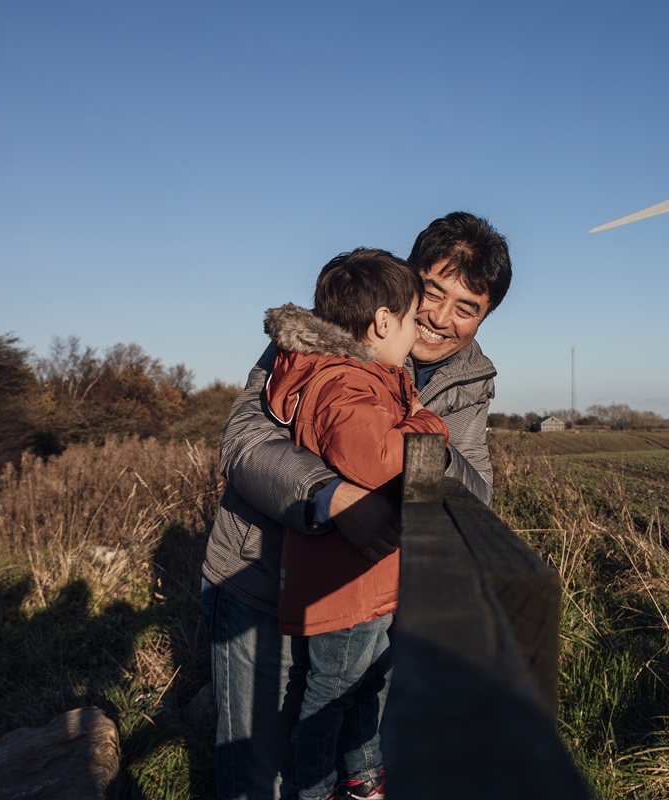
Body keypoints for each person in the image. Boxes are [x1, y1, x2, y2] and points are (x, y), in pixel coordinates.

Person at [201, 211, 512, 800]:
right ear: (408, 278)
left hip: (370, 598)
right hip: (259, 585)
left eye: (467, 307)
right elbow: (243, 445)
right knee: (258, 774)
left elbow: (473, 495)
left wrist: (425, 454)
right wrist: (335, 499)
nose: (441, 318)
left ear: (485, 315)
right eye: (433, 291)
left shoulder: (471, 380)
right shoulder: (322, 331)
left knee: (348, 736)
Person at [263, 248, 447, 800]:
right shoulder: (347, 383)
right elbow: (390, 461)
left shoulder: (354, 378)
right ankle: (319, 789)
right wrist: (427, 421)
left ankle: (363, 778)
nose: (421, 331)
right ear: (384, 321)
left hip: (361, 580)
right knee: (333, 692)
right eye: (415, 318)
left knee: (365, 684)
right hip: (343, 586)